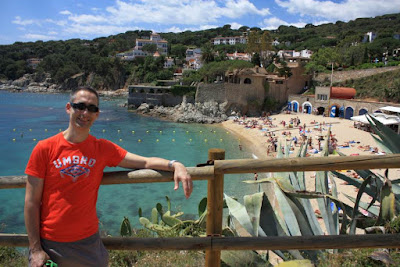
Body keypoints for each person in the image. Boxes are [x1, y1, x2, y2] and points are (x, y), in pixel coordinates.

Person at [24, 87, 193, 267]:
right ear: (68, 108)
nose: (85, 112)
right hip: (51, 244)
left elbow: (144, 162)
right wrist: (35, 249)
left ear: (97, 114)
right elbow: (31, 202)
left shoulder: (102, 149)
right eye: (79, 106)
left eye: (91, 108)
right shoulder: (44, 148)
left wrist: (175, 164)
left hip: (88, 244)